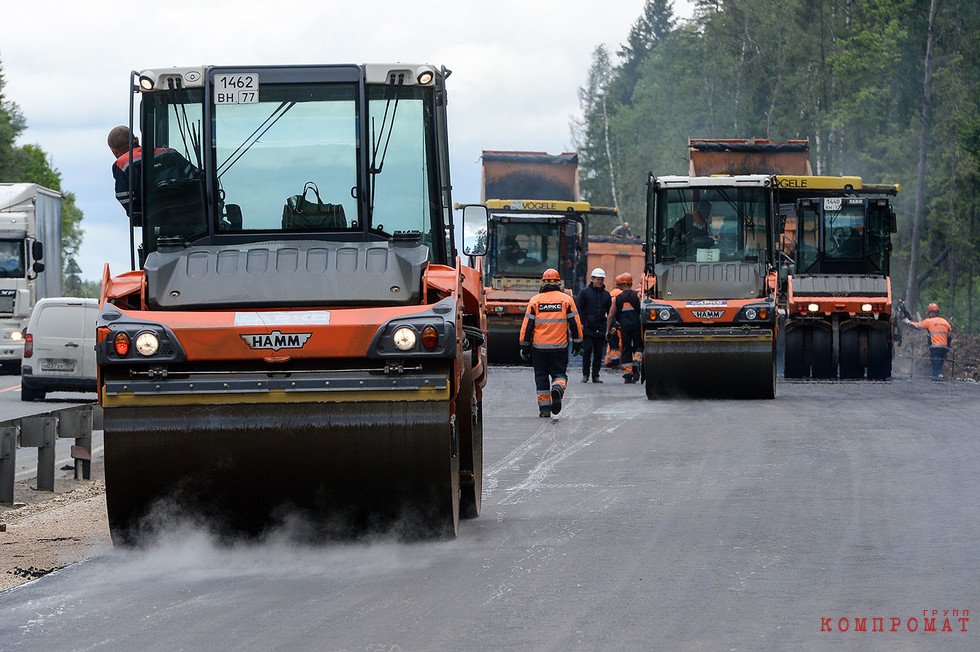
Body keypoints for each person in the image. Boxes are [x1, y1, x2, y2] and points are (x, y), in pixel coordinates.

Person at [519, 268, 583, 417]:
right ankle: (558, 389)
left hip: (539, 347)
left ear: (543, 283)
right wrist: (578, 343)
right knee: (559, 374)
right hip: (559, 347)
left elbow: (527, 326)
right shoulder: (566, 300)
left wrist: (524, 346)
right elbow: (575, 324)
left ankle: (545, 409)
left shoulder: (535, 300)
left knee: (541, 377)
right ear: (558, 283)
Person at [575, 267, 612, 383]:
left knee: (598, 353)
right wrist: (582, 323)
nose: (600, 281)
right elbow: (579, 309)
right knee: (587, 350)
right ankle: (585, 374)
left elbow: (610, 311)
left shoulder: (606, 295)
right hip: (587, 328)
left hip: (600, 328)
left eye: (601, 279)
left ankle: (595, 375)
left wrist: (611, 325)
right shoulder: (584, 293)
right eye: (598, 279)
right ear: (592, 279)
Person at [607, 272, 643, 383]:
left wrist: (608, 329)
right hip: (636, 325)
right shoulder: (637, 295)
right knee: (638, 346)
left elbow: (610, 315)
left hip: (624, 327)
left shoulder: (617, 298)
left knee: (626, 348)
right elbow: (643, 310)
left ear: (620, 284)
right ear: (631, 283)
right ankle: (637, 360)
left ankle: (628, 373)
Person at [904, 303, 953, 380]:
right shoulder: (945, 322)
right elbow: (950, 331)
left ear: (932, 312)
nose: (929, 314)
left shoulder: (929, 321)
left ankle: (937, 380)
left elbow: (917, 326)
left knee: (935, 366)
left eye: (929, 313)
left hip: (935, 347)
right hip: (944, 348)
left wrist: (907, 322)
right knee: (939, 364)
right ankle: (939, 376)